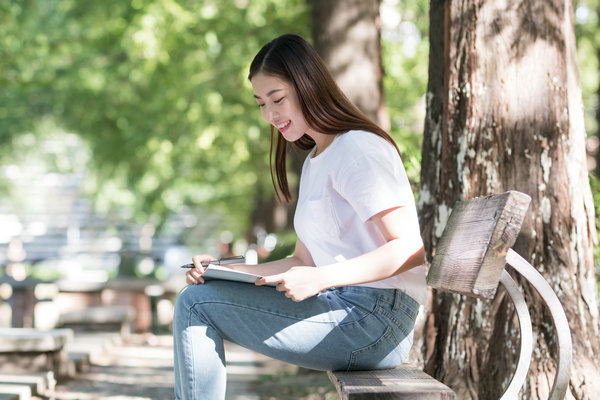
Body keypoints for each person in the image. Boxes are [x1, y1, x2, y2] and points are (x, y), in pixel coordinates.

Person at [173, 33, 427, 400]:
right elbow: (302, 261)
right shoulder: (315, 160)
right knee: (199, 294)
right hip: (348, 311)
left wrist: (323, 278)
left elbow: (410, 249)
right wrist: (223, 272)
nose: (270, 115)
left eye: (277, 99)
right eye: (261, 103)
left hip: (375, 322)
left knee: (195, 304)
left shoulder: (357, 147)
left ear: (308, 85)